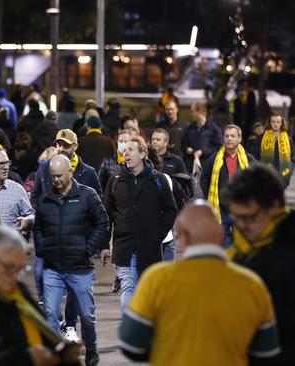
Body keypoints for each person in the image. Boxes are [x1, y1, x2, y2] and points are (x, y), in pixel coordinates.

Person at [119, 202, 281, 365]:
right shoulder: (251, 284)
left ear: (181, 235)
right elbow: (266, 352)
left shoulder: (157, 280)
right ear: (222, 234)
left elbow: (130, 345)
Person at [0, 225, 82, 366]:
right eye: (9, 268)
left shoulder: (19, 292)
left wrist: (65, 357)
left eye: (19, 269)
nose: (15, 277)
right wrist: (26, 359)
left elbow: (45, 340)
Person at [33, 155, 110, 365]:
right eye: (53, 176)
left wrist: (87, 248)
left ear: (70, 173)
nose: (56, 180)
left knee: (87, 315)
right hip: (53, 268)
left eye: (59, 176)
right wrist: (42, 248)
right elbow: (38, 227)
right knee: (50, 313)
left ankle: (91, 348)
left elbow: (102, 223)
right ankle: (56, 358)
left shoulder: (87, 195)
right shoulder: (45, 198)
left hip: (80, 268)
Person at [223, 164, 295, 364]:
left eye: (249, 217)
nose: (242, 226)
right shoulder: (239, 249)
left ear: (274, 206)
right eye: (237, 218)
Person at [104, 137, 177, 311]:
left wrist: (158, 234)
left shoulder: (158, 180)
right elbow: (106, 216)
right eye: (124, 150)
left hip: (149, 247)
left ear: (143, 154)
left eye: (131, 150)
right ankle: (130, 331)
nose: (125, 153)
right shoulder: (115, 181)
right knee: (128, 288)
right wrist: (103, 245)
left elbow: (171, 210)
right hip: (124, 246)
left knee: (148, 293)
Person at [201, 124, 255, 243]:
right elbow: (204, 179)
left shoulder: (248, 159)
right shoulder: (215, 158)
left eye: (232, 136)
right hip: (221, 208)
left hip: (241, 207)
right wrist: (210, 197)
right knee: (222, 242)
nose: (229, 139)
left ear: (239, 139)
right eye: (227, 136)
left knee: (240, 242)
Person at [253, 113, 294, 185]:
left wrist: (290, 168)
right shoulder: (261, 138)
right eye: (273, 122)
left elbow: (293, 155)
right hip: (266, 174)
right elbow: (254, 153)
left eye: (278, 122)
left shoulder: (287, 139)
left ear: (281, 123)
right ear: (270, 122)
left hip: (283, 174)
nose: (275, 124)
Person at [181, 102, 223, 173]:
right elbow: (183, 144)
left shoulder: (214, 128)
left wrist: (203, 152)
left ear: (199, 112)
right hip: (191, 167)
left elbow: (219, 147)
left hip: (207, 167)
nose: (191, 114)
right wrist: (187, 148)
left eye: (192, 112)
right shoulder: (190, 128)